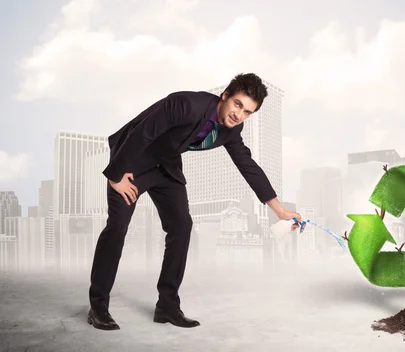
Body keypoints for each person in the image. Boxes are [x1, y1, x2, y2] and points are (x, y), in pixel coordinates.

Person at [87, 73, 302, 331]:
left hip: (165, 166)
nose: (239, 115)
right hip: (133, 160)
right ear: (225, 96)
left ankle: (167, 306)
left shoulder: (233, 129)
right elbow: (142, 133)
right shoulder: (186, 104)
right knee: (118, 228)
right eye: (237, 104)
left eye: (247, 112)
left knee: (181, 227)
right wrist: (116, 174)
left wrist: (279, 210)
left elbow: (247, 165)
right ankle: (98, 307)